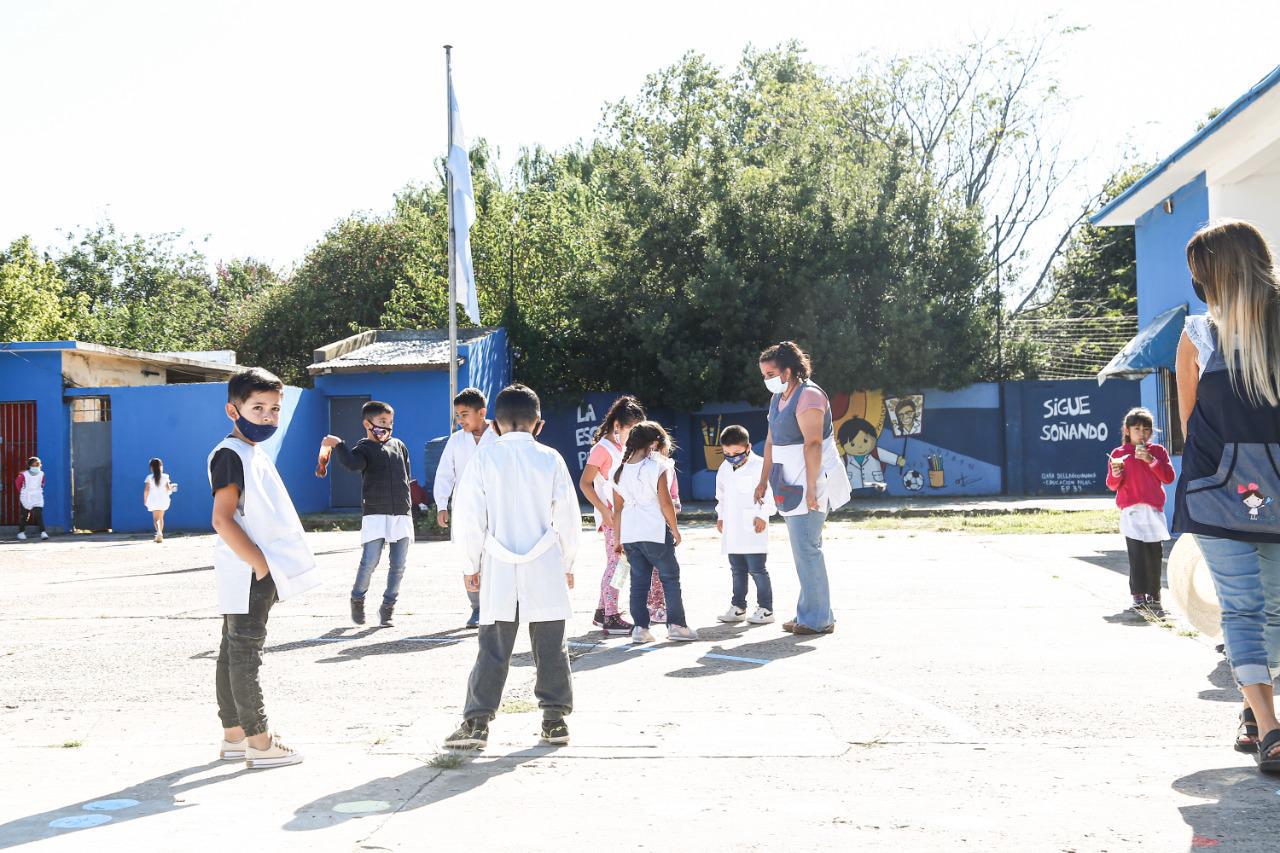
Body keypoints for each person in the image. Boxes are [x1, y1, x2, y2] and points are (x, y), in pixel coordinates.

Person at [1173, 219, 1280, 773]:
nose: (1197, 284)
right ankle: (1270, 726)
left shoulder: (1206, 335)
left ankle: (1251, 711)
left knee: (1275, 610)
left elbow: (1193, 423)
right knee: (1244, 608)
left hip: (1224, 487)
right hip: (1222, 493)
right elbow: (1190, 425)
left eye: (1200, 272)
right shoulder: (1198, 333)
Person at [443, 384, 579, 749]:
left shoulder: (484, 459)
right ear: (539, 423)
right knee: (551, 645)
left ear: (494, 424)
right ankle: (554, 720)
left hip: (499, 564)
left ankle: (476, 724)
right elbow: (568, 516)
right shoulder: (551, 458)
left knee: (493, 647)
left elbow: (469, 517)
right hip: (544, 563)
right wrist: (567, 562)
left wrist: (470, 564)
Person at [209, 367, 321, 769]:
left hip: (247, 569)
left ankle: (235, 736)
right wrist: (260, 564)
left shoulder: (250, 453)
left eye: (274, 409)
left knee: (231, 651)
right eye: (257, 408)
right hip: (248, 570)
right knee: (245, 654)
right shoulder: (230, 454)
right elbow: (222, 518)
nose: (268, 416)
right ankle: (260, 741)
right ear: (233, 410)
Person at [754, 341, 852, 635]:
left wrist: (811, 488)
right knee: (802, 550)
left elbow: (813, 444)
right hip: (788, 481)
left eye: (771, 373)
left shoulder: (809, 395)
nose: (767, 379)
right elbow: (770, 441)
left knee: (807, 549)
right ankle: (808, 612)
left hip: (811, 481)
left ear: (788, 371)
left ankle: (818, 619)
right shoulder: (779, 398)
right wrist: (763, 479)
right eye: (763, 375)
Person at [321, 400, 414, 628]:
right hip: (375, 514)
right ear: (367, 423)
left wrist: (409, 506)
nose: (387, 426)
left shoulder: (399, 446)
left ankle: (388, 607)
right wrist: (339, 445)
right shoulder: (363, 448)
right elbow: (352, 464)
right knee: (370, 561)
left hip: (401, 514)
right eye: (382, 421)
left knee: (399, 565)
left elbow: (406, 474)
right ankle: (357, 598)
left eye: (390, 422)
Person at [612, 420, 698, 644]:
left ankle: (640, 629)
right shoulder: (657, 467)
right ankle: (677, 626)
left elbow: (617, 509)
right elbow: (666, 503)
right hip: (654, 531)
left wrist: (618, 539)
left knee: (638, 583)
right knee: (670, 578)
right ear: (653, 443)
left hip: (630, 534)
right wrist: (675, 530)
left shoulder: (618, 470)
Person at [579, 395, 646, 635]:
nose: (636, 435)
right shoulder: (602, 449)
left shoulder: (622, 447)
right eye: (632, 429)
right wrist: (603, 510)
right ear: (617, 425)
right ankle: (611, 616)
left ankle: (602, 612)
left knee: (620, 564)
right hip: (612, 518)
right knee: (617, 565)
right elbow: (585, 483)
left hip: (625, 516)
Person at [434, 387, 498, 628]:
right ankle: (477, 607)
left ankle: (497, 605)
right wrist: (442, 505)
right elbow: (444, 474)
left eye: (464, 415)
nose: (460, 420)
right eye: (457, 416)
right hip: (465, 509)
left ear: (481, 412)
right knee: (469, 557)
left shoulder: (500, 435)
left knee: (495, 556)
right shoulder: (456, 440)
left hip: (496, 508)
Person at [1106, 408, 1174, 614]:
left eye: (1146, 429)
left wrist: (1151, 460)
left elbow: (1168, 477)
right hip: (1131, 512)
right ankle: (1138, 596)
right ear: (1127, 431)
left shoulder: (1158, 451)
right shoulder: (1119, 454)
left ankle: (1154, 595)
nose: (1142, 433)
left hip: (1153, 511)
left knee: (1154, 555)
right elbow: (1112, 484)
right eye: (1137, 429)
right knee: (1136, 556)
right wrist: (1116, 473)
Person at [715, 425, 776, 624]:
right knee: (737, 569)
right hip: (732, 528)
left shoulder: (760, 466)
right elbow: (721, 496)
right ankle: (738, 607)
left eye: (736, 453)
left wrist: (763, 515)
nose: (732, 457)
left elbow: (770, 494)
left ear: (748, 447)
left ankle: (766, 609)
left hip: (753, 526)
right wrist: (721, 516)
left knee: (757, 569)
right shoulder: (724, 468)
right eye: (727, 453)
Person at [144, 457, 178, 543]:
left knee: (155, 519)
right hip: (163, 499)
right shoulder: (165, 477)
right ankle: (160, 533)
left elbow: (146, 490)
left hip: (153, 500)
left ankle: (159, 532)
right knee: (161, 517)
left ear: (151, 467)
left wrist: (145, 499)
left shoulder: (149, 477)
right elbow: (168, 488)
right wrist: (172, 487)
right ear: (161, 466)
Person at [15, 456, 47, 541]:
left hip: (37, 497)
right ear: (29, 465)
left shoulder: (42, 474)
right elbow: (18, 483)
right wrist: (23, 491)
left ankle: (43, 532)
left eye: (37, 465)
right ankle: (21, 532)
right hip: (26, 497)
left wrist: (38, 490)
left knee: (38, 514)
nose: (35, 467)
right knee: (25, 515)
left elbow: (42, 484)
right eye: (33, 465)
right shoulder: (24, 474)